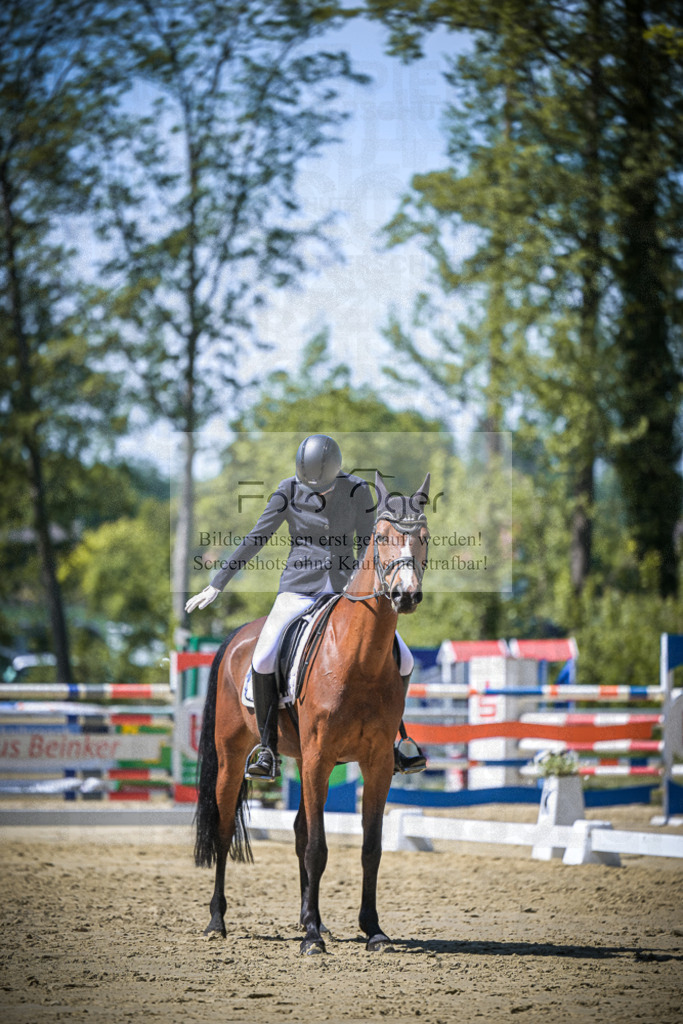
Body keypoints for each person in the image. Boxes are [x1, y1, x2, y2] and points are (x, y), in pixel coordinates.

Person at [185, 433, 426, 781]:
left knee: (403, 658)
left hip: (348, 590)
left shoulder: (358, 491)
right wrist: (217, 583)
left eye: (324, 486)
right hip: (300, 587)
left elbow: (368, 544)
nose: (318, 492)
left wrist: (379, 584)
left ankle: (393, 741)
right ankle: (267, 746)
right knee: (264, 653)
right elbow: (258, 536)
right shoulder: (288, 490)